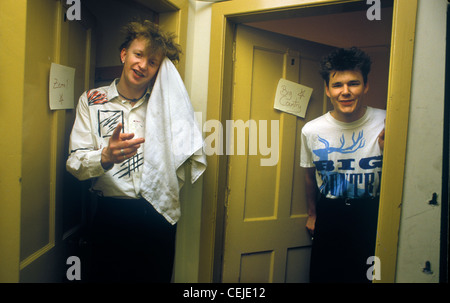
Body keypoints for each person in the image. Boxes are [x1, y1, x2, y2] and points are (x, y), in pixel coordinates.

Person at [66, 20, 203, 282]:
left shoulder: (168, 108)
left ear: (159, 70)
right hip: (111, 217)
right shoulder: (91, 101)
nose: (142, 65)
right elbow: (74, 164)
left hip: (158, 217)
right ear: (124, 54)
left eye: (152, 62)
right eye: (138, 55)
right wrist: (105, 157)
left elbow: (186, 153)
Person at [300, 47, 385, 283]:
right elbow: (309, 174)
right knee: (325, 277)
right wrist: (312, 214)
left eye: (353, 83)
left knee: (369, 278)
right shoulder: (312, 130)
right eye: (337, 85)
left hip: (372, 213)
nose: (345, 92)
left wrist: (391, 151)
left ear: (366, 86)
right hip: (331, 214)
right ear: (327, 90)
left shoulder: (388, 121)